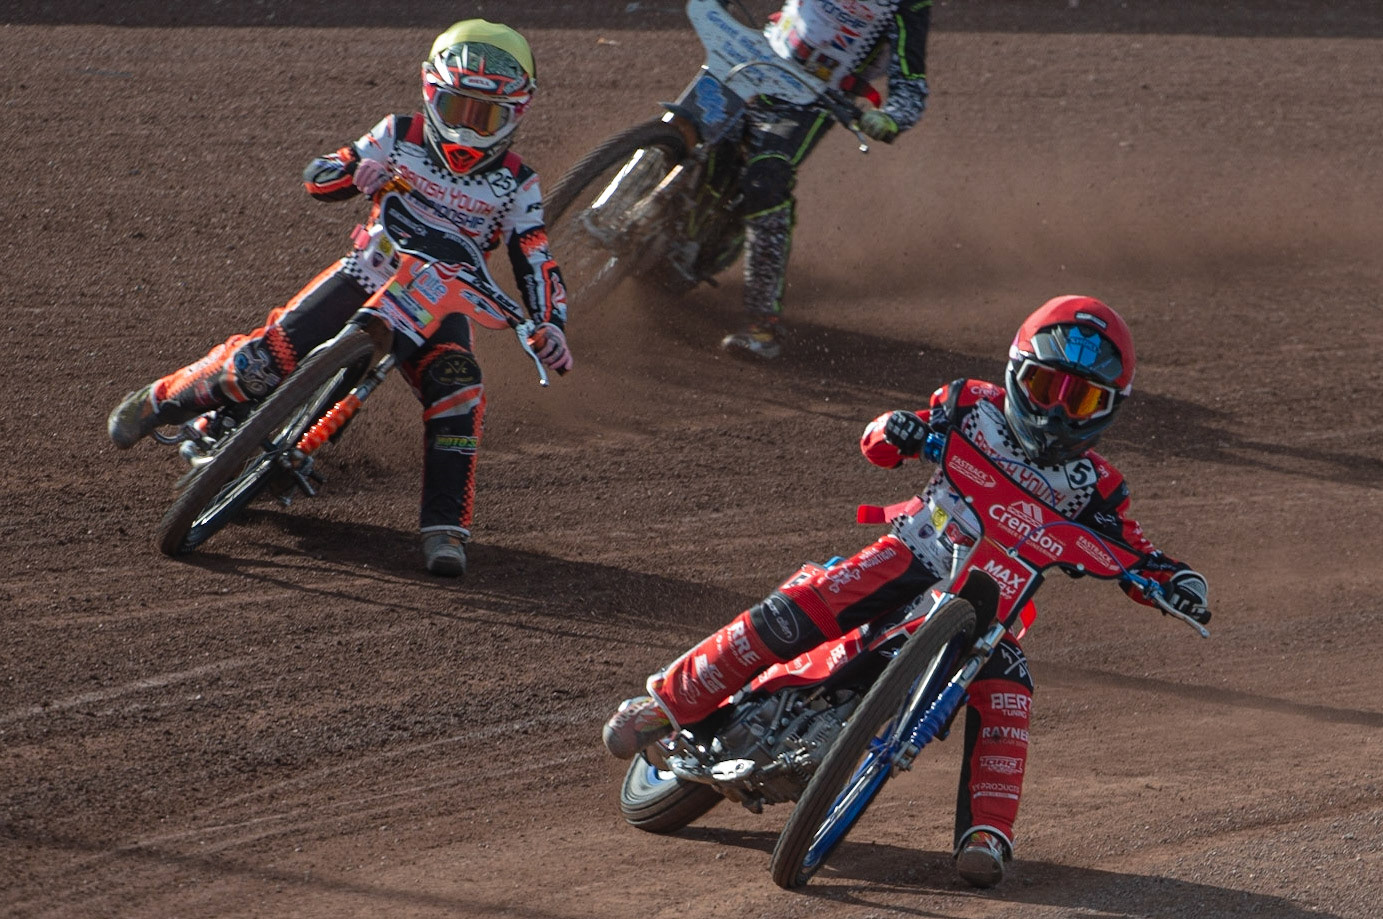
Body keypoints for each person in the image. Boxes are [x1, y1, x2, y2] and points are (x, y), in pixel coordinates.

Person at [604, 295, 1212, 887]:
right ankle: (665, 704)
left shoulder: (1098, 488)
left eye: (1081, 399)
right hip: (913, 554)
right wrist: (896, 430)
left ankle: (987, 837)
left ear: (1111, 409)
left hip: (988, 614)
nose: (1058, 411)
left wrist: (1176, 582)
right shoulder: (971, 406)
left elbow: (1139, 554)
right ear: (1016, 373)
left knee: (1010, 686)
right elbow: (883, 442)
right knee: (807, 606)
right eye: (1047, 388)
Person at [107, 20, 572, 577]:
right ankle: (157, 401)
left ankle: (446, 530)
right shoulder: (399, 133)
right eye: (458, 106)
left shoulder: (519, 184)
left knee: (460, 394)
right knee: (260, 366)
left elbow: (535, 257)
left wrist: (551, 324)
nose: (470, 126)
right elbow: (317, 176)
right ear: (431, 92)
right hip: (365, 273)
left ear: (515, 114)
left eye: (486, 115)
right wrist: (356, 171)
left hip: (439, 304)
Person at [721, 0, 933, 359]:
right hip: (757, 57)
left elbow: (911, 84)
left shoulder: (908, 4)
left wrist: (891, 118)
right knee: (690, 124)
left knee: (765, 178)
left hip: (815, 97)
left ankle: (762, 324)